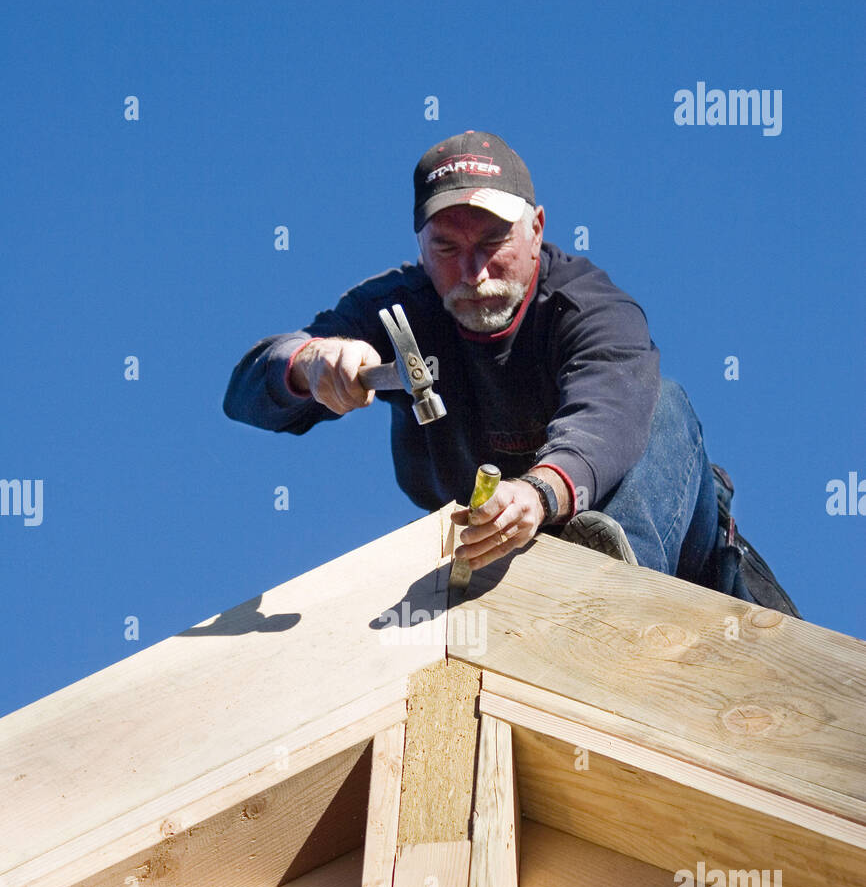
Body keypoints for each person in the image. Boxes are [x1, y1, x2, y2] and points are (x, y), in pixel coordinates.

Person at [223, 130, 799, 614]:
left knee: (663, 401)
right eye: (447, 249)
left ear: (537, 229)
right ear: (421, 249)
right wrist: (308, 365)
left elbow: (609, 414)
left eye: (494, 241)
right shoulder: (399, 307)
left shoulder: (590, 309)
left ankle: (612, 593)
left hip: (689, 567)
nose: (473, 271)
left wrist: (542, 492)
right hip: (504, 572)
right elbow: (247, 387)